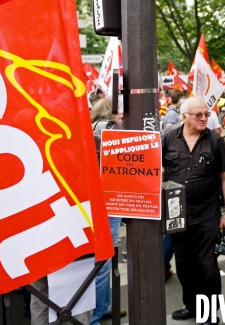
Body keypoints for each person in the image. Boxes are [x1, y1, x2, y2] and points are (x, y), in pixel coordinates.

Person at [162, 97, 225, 324]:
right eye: (198, 115)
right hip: (177, 212)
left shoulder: (214, 139)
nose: (205, 118)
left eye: (206, 113)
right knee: (183, 263)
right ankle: (191, 305)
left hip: (207, 212)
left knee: (206, 264)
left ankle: (210, 312)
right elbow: (160, 172)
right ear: (184, 117)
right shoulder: (169, 138)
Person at [89, 99, 127, 324]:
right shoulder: (110, 134)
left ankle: (101, 307)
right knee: (103, 260)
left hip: (99, 202)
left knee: (102, 260)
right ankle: (96, 314)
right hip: (107, 202)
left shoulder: (89, 131)